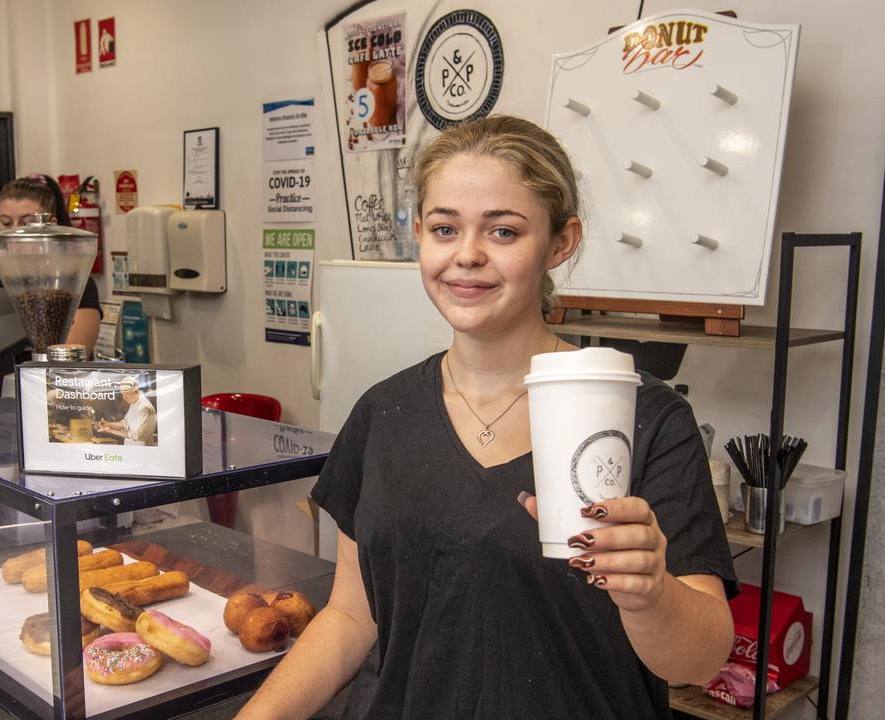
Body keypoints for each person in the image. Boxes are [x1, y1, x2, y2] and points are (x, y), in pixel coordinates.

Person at [236, 116, 737, 720]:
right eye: (445, 228)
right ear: (419, 233)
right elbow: (349, 618)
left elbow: (700, 660)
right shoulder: (383, 413)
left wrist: (650, 593)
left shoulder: (645, 418)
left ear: (561, 241)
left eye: (503, 231)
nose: (467, 256)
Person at [0, 174, 102, 354]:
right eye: (6, 223)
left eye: (27, 223)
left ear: (52, 225)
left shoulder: (74, 283)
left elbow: (69, 361)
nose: (15, 232)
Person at [94, 376, 156, 446]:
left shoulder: (145, 408)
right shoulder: (134, 403)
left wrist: (110, 430)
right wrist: (108, 424)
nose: (124, 397)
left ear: (135, 391)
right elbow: (124, 424)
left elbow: (135, 435)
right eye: (122, 394)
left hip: (140, 451)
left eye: (126, 393)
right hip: (130, 449)